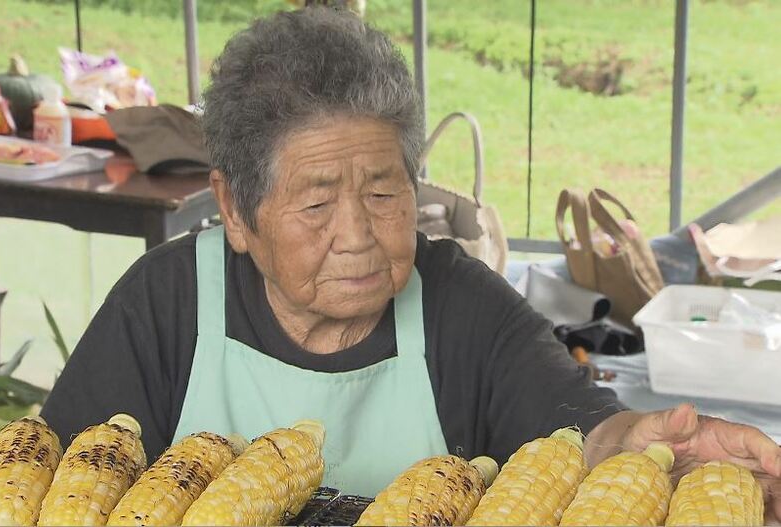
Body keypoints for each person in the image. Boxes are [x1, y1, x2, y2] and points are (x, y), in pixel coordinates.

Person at [41, 6, 781, 514]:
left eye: (385, 190)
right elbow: (60, 488)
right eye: (318, 201)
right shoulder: (165, 305)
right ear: (235, 210)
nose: (360, 234)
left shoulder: (464, 307)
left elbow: (582, 430)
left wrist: (655, 450)